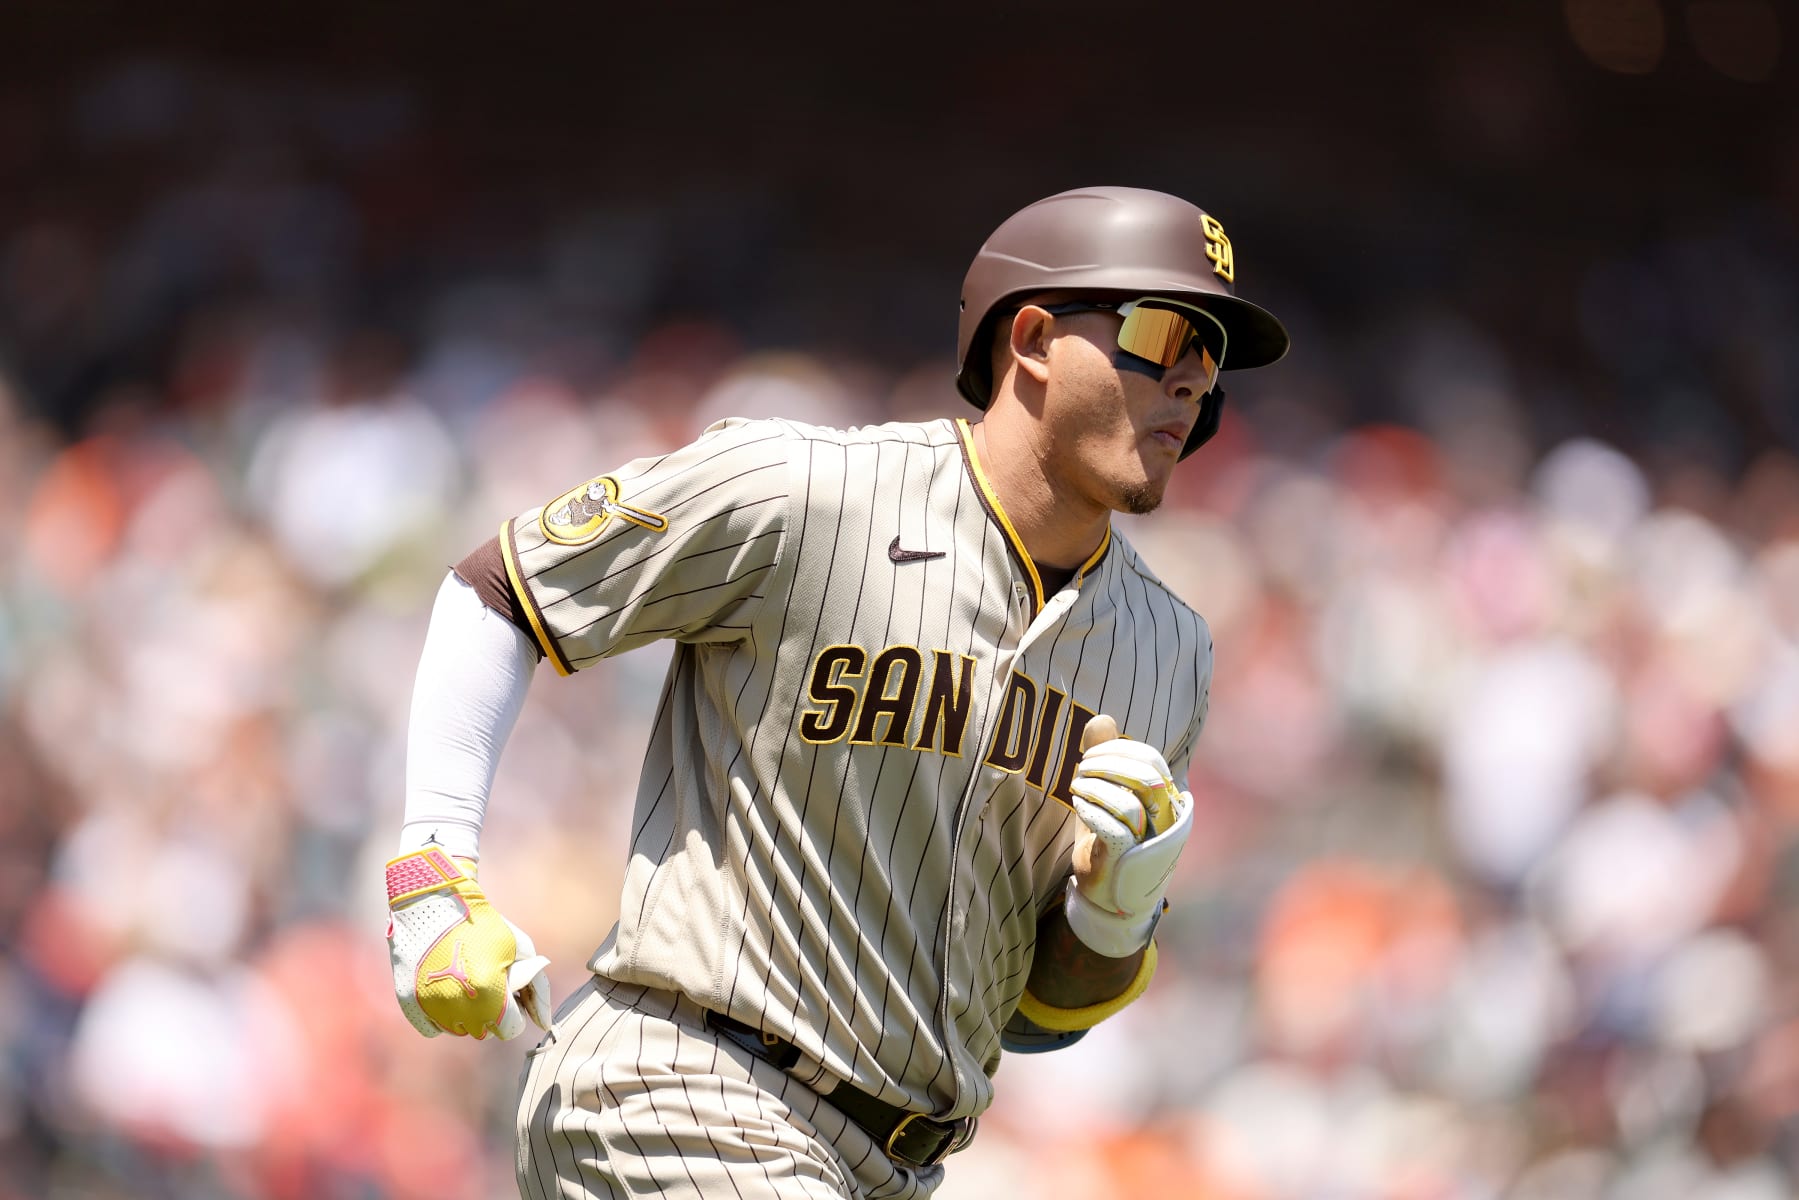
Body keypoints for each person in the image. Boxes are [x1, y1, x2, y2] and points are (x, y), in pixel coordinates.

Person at [383, 184, 1291, 1198]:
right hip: (681, 1087)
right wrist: (433, 875)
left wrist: (1113, 915)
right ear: (1032, 336)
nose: (1193, 384)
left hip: (893, 1166)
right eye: (1166, 335)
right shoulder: (806, 491)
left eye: (1213, 362)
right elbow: (500, 593)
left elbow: (1035, 1016)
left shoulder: (1171, 651)